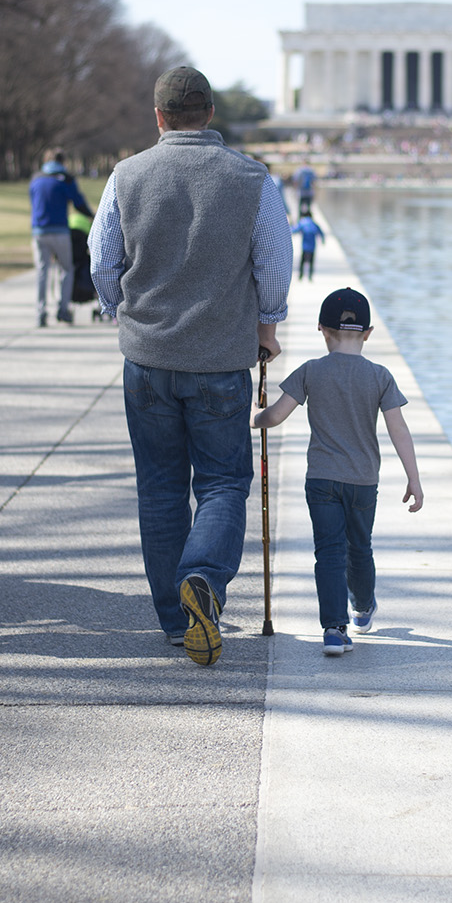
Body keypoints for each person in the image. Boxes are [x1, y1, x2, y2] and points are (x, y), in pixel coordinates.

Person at [89, 65, 292, 665]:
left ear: (159, 117)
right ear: (210, 114)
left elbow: (104, 259)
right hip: (221, 358)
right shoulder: (253, 179)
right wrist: (269, 325)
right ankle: (202, 578)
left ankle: (177, 623)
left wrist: (118, 311)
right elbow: (274, 264)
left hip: (147, 356)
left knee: (159, 489)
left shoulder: (126, 176)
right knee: (225, 481)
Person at [254, 286, 423, 656]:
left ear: (321, 329)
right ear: (368, 334)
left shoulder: (311, 371)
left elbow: (277, 415)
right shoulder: (380, 376)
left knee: (328, 552)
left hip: (322, 480)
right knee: (359, 548)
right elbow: (399, 429)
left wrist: (256, 419)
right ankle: (362, 608)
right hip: (363, 482)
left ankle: (333, 629)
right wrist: (414, 478)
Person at [29, 150, 93, 327]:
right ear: (62, 161)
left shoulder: (36, 178)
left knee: (42, 271)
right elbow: (78, 203)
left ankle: (40, 312)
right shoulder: (65, 179)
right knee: (66, 269)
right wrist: (92, 215)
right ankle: (62, 310)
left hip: (38, 231)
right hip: (59, 231)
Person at [292, 212, 325, 280]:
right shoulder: (314, 224)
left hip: (305, 246)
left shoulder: (302, 223)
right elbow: (321, 233)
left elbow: (294, 230)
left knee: (302, 261)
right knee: (311, 262)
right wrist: (322, 240)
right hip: (312, 247)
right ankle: (310, 276)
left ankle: (300, 276)